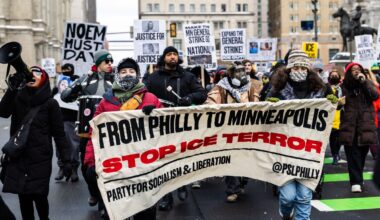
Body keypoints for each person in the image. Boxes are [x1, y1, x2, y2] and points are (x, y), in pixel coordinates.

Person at [84, 57, 162, 219]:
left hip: (143, 165)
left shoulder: (151, 99)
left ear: (138, 75)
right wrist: (91, 162)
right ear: (118, 75)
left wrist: (155, 114)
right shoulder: (106, 102)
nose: (128, 74)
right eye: (124, 72)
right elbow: (95, 133)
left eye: (132, 71)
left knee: (145, 211)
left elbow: (164, 129)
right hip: (116, 167)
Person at [266, 50, 333, 220]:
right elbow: (264, 114)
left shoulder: (321, 89)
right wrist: (269, 106)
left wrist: (334, 102)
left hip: (309, 150)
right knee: (288, 197)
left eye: (303, 66)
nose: (300, 69)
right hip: (285, 150)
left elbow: (333, 108)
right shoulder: (277, 89)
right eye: (296, 66)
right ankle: (286, 213)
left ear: (308, 69)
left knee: (304, 196)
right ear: (289, 68)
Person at [0, 66, 71, 220]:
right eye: (30, 72)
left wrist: (66, 160)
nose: (32, 75)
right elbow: (3, 111)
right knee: (23, 198)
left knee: (39, 197)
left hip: (41, 159)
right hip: (19, 156)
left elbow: (59, 135)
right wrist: (12, 89)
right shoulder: (18, 97)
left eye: (37, 73)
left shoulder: (51, 104)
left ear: (44, 79)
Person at [145, 46, 207, 211]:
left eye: (175, 54)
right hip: (160, 127)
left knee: (181, 157)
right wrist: (147, 106)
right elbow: (142, 95)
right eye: (169, 54)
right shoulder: (152, 78)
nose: (172, 57)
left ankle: (182, 185)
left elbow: (202, 94)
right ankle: (166, 197)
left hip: (183, 125)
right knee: (164, 161)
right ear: (164, 57)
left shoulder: (188, 76)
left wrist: (189, 98)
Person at [61, 49, 114, 216]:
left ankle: (105, 202)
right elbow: (65, 96)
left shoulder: (116, 79)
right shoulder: (85, 80)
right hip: (87, 131)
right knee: (86, 166)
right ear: (98, 63)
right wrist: (75, 87)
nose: (110, 65)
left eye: (111, 62)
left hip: (108, 131)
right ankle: (93, 191)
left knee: (107, 167)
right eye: (107, 62)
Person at [205, 62, 262, 203]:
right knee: (229, 159)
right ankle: (232, 189)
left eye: (243, 71)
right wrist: (210, 107)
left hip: (247, 129)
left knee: (246, 159)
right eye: (237, 71)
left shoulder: (250, 86)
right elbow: (211, 102)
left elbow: (257, 104)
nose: (241, 74)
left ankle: (243, 181)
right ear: (231, 73)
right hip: (228, 130)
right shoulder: (221, 87)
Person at [340, 62, 379, 193]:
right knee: (352, 154)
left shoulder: (366, 83)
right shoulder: (343, 86)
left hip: (365, 125)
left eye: (358, 69)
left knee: (362, 154)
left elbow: (375, 95)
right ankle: (355, 182)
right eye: (353, 70)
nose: (356, 71)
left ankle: (358, 176)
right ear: (348, 72)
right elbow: (337, 103)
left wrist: (365, 82)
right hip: (350, 126)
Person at [52, 63, 81, 182]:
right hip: (58, 118)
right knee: (60, 145)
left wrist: (77, 85)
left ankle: (74, 168)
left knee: (74, 145)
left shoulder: (78, 83)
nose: (65, 71)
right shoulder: (57, 86)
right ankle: (62, 168)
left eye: (68, 70)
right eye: (63, 70)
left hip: (73, 118)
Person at [327, 68, 344, 165]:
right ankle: (335, 155)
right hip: (330, 116)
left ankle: (337, 152)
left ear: (339, 78)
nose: (334, 77)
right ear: (329, 77)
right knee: (333, 138)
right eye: (332, 75)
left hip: (341, 115)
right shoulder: (326, 87)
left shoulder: (342, 88)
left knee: (340, 138)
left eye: (336, 75)